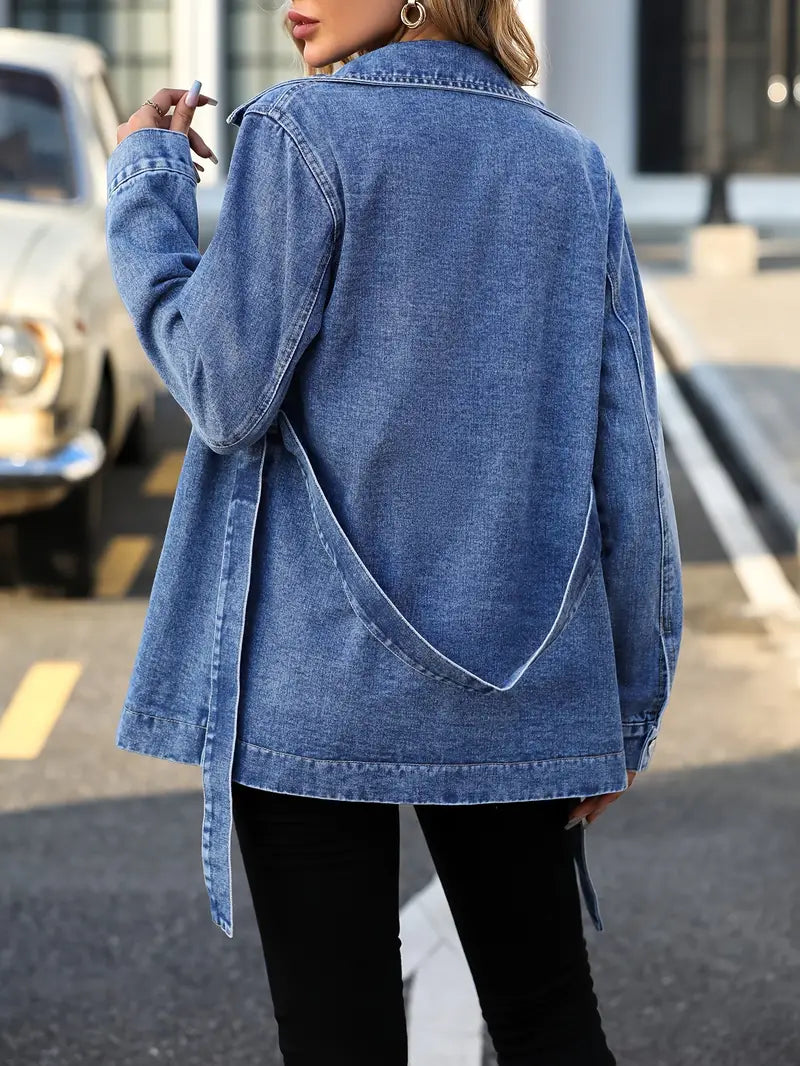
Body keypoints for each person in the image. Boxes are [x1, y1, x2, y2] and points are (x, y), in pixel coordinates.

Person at [106, 1, 684, 1062]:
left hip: (314, 685)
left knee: (343, 1038)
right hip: (519, 679)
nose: (290, 0)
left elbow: (224, 393)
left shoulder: (298, 132)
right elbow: (625, 454)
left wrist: (146, 189)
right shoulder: (570, 166)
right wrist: (627, 706)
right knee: (548, 1017)